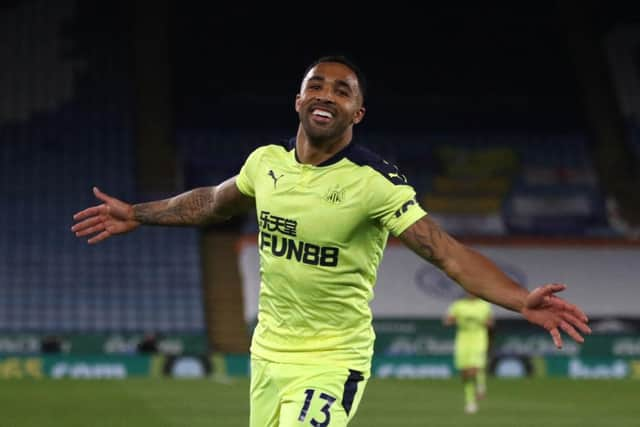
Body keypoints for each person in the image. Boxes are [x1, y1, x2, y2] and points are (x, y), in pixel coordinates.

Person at [71, 55, 591, 427]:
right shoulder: (265, 163)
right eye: (317, 85)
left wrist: (520, 299)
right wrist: (137, 213)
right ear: (299, 100)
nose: (327, 94)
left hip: (331, 358)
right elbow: (212, 202)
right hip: (268, 354)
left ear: (356, 114)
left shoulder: (373, 182)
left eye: (343, 91)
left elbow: (444, 251)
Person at [444, 292, 494, 414]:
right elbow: (447, 321)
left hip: (479, 339)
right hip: (463, 340)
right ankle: (470, 402)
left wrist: (487, 323)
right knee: (465, 373)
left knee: (474, 368)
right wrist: (452, 320)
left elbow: (491, 323)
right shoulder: (458, 305)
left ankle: (481, 387)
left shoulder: (484, 305)